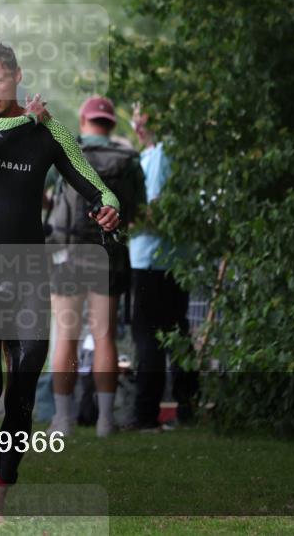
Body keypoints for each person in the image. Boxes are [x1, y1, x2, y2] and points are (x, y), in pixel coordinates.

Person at [0, 42, 121, 525]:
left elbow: (92, 180)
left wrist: (110, 205)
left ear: (17, 76)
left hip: (25, 272)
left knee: (21, 390)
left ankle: (1, 489)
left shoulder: (52, 132)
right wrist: (31, 120)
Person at [44, 96, 144, 438]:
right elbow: (138, 212)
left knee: (67, 337)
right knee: (104, 337)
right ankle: (104, 421)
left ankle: (63, 421)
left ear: (84, 121)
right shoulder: (129, 160)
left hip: (68, 253)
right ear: (111, 124)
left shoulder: (67, 151)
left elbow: (43, 198)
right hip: (109, 253)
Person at [127, 104, 199, 431]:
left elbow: (155, 211)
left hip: (151, 259)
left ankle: (145, 414)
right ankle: (188, 408)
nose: (136, 123)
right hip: (176, 260)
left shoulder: (159, 156)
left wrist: (118, 224)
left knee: (148, 337)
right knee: (177, 333)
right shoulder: (178, 155)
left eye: (140, 116)